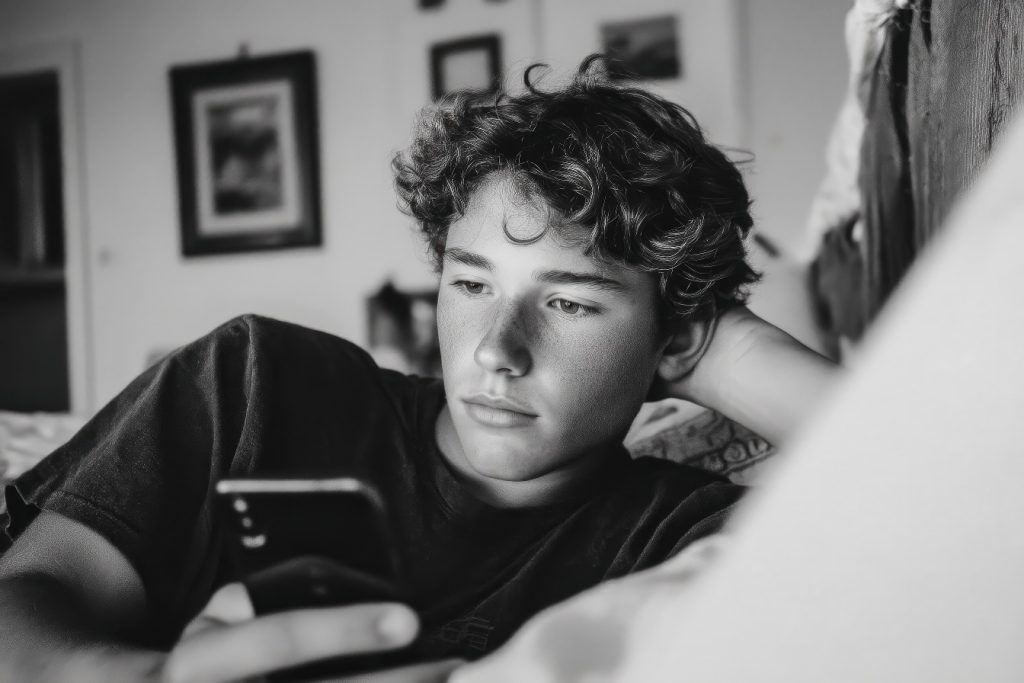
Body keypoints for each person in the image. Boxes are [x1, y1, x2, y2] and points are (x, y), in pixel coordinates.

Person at [0, 57, 835, 682]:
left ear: (674, 341)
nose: (493, 349)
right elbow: (27, 588)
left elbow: (950, 515)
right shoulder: (257, 379)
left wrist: (730, 351)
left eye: (571, 302)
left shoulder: (676, 535)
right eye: (470, 283)